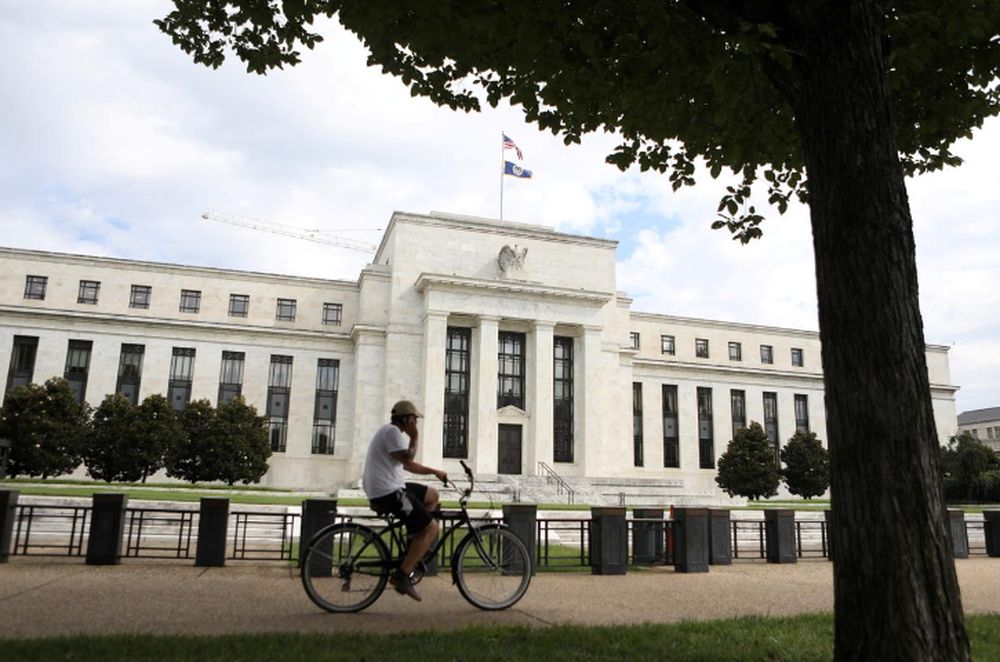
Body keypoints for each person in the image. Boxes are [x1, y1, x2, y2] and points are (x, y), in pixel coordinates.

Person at [362, 399, 447, 601]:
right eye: (414, 420)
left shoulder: (390, 433)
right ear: (407, 419)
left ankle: (415, 541)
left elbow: (407, 465)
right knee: (432, 528)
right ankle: (402, 575)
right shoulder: (392, 433)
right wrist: (415, 436)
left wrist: (434, 472)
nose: (416, 423)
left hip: (392, 487)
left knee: (432, 495)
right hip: (388, 492)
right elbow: (408, 460)